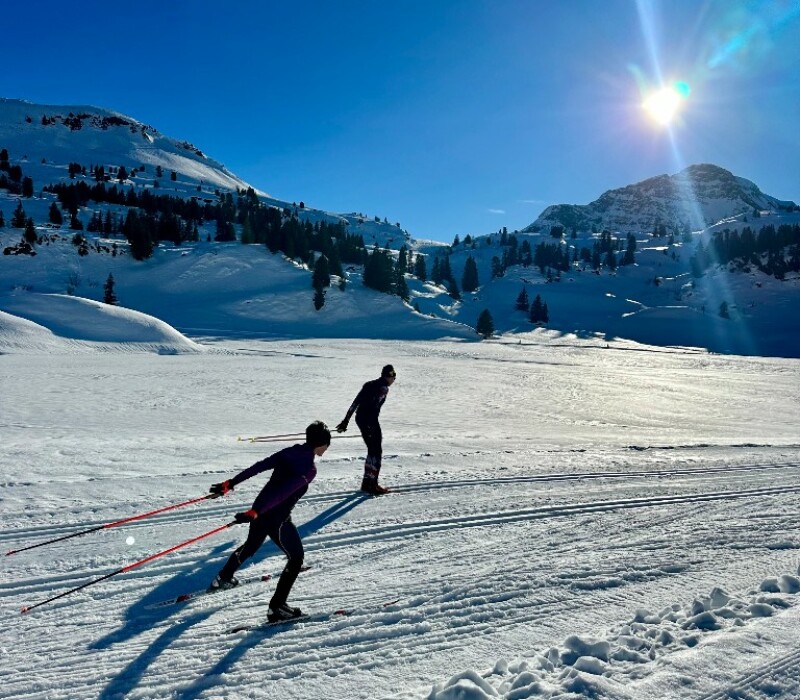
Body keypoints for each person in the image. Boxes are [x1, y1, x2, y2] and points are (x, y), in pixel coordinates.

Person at [207, 421, 331, 622]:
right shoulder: (309, 468)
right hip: (275, 517)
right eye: (328, 444)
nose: (327, 448)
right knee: (296, 557)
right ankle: (277, 607)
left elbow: (259, 467)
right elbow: (285, 493)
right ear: (322, 443)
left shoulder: (290, 451)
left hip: (261, 508)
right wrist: (257, 511)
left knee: (251, 546)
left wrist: (230, 483)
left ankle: (223, 577)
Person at [336, 364, 396, 495]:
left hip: (360, 420)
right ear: (389, 376)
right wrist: (370, 424)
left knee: (371, 450)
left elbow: (355, 402)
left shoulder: (369, 384)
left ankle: (366, 483)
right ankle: (372, 485)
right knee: (377, 452)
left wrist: (345, 421)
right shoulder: (383, 388)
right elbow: (373, 407)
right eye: (394, 377)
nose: (394, 381)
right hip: (370, 421)